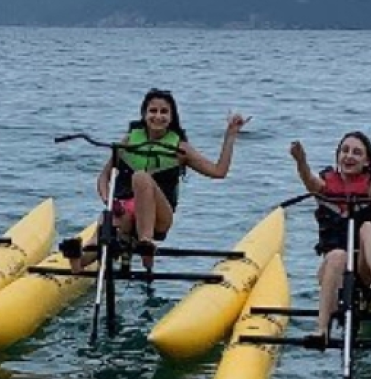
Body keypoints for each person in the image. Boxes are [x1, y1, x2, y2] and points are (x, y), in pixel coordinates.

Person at [64, 88, 247, 275]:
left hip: (159, 217)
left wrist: (230, 135)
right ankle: (76, 260)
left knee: (141, 177)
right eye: (153, 111)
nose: (158, 116)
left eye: (164, 112)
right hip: (126, 211)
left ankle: (146, 242)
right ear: (144, 114)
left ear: (172, 116)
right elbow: (104, 176)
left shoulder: (180, 148)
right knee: (105, 224)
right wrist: (108, 201)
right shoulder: (129, 141)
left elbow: (219, 172)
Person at [291, 130, 371, 346]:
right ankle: (321, 330)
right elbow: (308, 179)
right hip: (336, 273)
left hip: (365, 269)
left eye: (357, 153)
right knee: (337, 254)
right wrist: (301, 161)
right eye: (345, 151)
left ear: (367, 161)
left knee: (367, 226)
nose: (349, 156)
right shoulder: (325, 185)